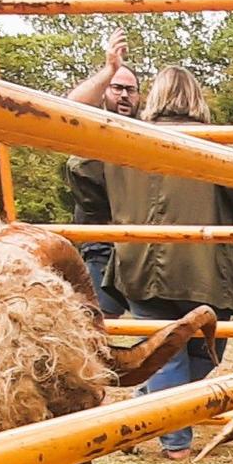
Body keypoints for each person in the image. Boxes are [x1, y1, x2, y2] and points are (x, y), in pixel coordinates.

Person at [86, 66, 233, 461]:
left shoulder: (124, 144)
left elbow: (81, 173)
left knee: (174, 357)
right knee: (195, 354)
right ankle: (175, 441)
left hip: (141, 265)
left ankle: (143, 407)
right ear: (197, 98)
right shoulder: (216, 145)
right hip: (205, 272)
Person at [64, 31, 138, 317]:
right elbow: (71, 107)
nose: (123, 95)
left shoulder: (145, 130)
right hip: (102, 240)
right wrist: (110, 69)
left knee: (158, 325)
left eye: (130, 90)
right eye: (117, 87)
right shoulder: (93, 128)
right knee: (98, 322)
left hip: (143, 240)